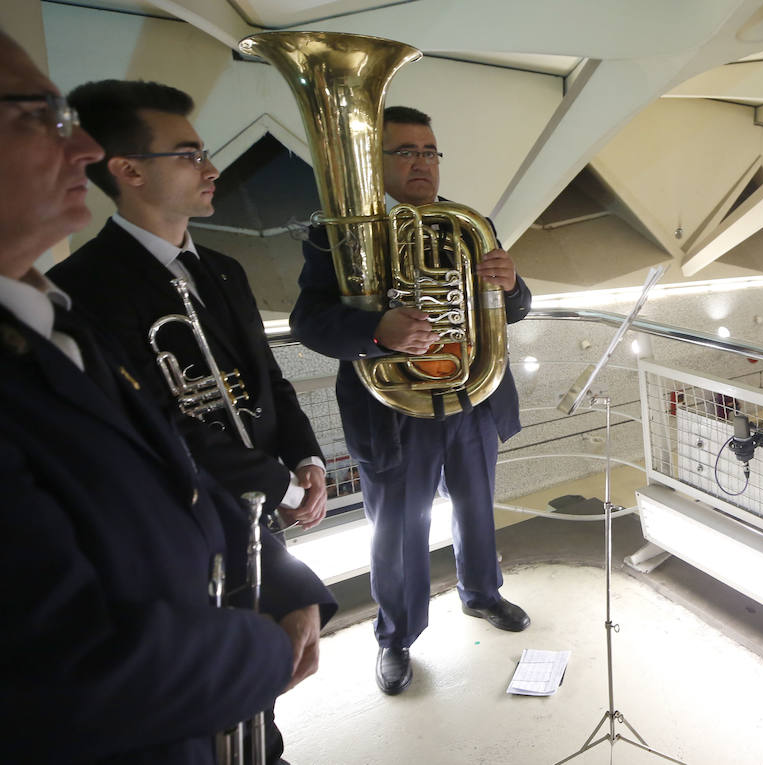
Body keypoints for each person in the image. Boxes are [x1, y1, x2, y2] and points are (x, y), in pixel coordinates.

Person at [0, 32, 334, 762]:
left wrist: (301, 466)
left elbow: (244, 396)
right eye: (39, 116)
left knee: (255, 739)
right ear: (132, 173)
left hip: (236, 546)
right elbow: (68, 665)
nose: (78, 148)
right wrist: (260, 648)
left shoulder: (64, 306)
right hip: (147, 705)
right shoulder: (88, 287)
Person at [291, 105, 533, 696]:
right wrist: (379, 332)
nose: (422, 162)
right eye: (405, 152)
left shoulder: (468, 224)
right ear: (377, 163)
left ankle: (482, 593)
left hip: (471, 401)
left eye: (429, 151)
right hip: (393, 411)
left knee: (478, 509)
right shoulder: (341, 234)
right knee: (397, 531)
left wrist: (511, 284)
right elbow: (309, 321)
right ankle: (396, 636)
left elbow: (513, 311)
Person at [49, 79, 328, 532]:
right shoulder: (80, 286)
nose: (212, 169)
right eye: (190, 156)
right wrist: (282, 487)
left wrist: (305, 457)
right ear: (130, 171)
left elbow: (267, 377)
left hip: (259, 506)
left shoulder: (225, 269)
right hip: (180, 515)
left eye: (205, 153)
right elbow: (156, 422)